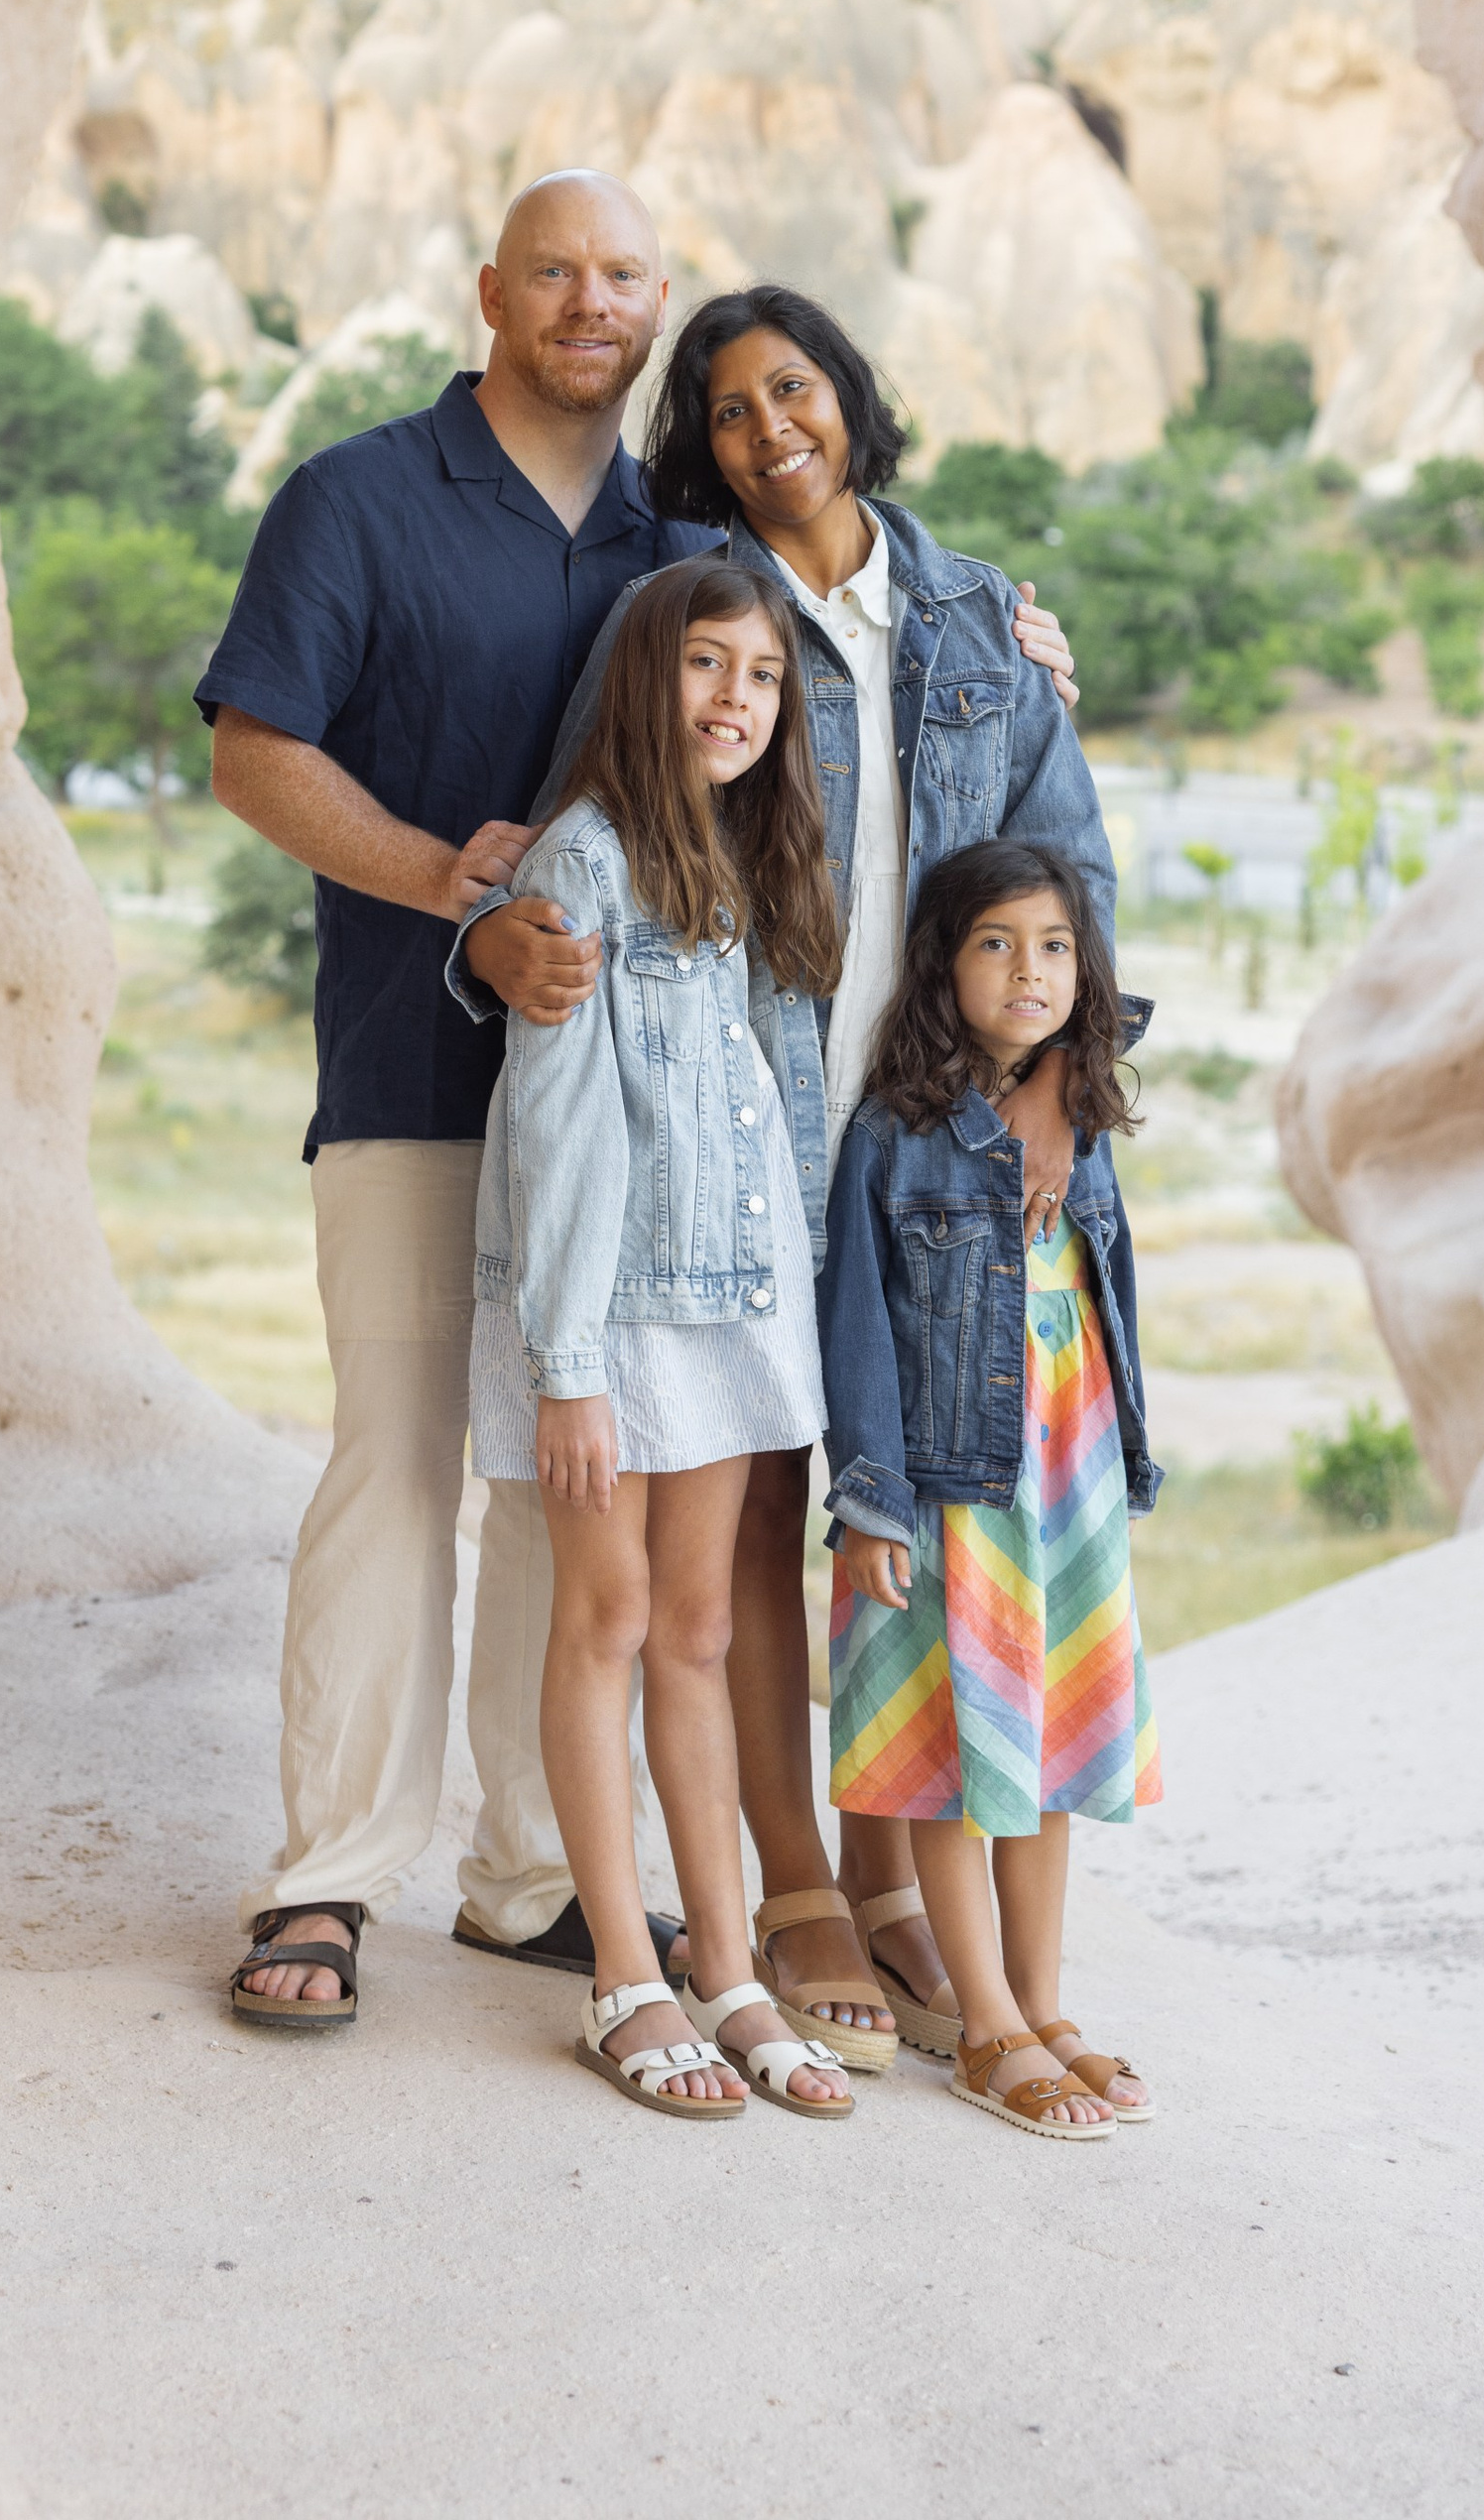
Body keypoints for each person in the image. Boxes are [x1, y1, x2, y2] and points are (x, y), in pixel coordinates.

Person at [458, 284, 1107, 2064]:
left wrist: (1054, 1091)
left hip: (939, 1133)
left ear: (851, 396)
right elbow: (571, 866)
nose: (768, 429)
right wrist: (485, 931)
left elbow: (1068, 869)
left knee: (926, 1496)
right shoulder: (697, 606)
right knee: (731, 1521)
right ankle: (793, 1880)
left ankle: (913, 1884)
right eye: (727, 409)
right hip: (752, 1129)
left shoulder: (978, 610)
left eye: (793, 389)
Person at [211, 174, 718, 2030]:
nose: (593, 301)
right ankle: (335, 1874)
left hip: (631, 1125)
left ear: (660, 302)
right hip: (416, 1080)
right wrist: (456, 888)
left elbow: (828, 660)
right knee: (401, 1466)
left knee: (558, 1487)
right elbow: (255, 751)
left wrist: (1027, 649)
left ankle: (527, 1879)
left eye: (626, 276)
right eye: (559, 271)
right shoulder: (355, 497)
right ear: (491, 290)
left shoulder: (678, 535)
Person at [470, 557, 855, 2117]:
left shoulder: (742, 858)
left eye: (760, 679)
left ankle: (732, 1964)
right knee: (609, 1620)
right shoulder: (584, 863)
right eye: (707, 666)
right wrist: (566, 1365)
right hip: (608, 1317)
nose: (735, 702)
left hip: (726, 1313)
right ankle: (623, 1972)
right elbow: (558, 1136)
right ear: (650, 678)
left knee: (700, 1631)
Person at [820, 838, 1160, 2138]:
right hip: (951, 1485)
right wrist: (868, 1501)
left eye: (1056, 945)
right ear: (941, 963)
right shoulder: (897, 1138)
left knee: (1051, 1746)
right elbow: (857, 1323)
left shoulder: (1084, 1113)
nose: (1032, 970)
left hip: (1062, 1481)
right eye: (997, 943)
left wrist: (1067, 1070)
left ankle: (1043, 1997)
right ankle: (985, 2023)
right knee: (966, 1755)